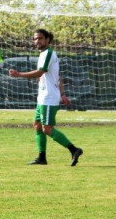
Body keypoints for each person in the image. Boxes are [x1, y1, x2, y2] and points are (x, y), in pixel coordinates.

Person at [8, 28, 83, 166]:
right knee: (37, 125)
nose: (37, 41)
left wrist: (19, 74)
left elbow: (40, 72)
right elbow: (58, 76)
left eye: (40, 38)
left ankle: (74, 149)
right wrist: (63, 94)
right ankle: (42, 157)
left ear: (48, 39)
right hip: (43, 96)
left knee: (47, 129)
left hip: (48, 98)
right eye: (35, 39)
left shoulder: (48, 53)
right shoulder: (44, 54)